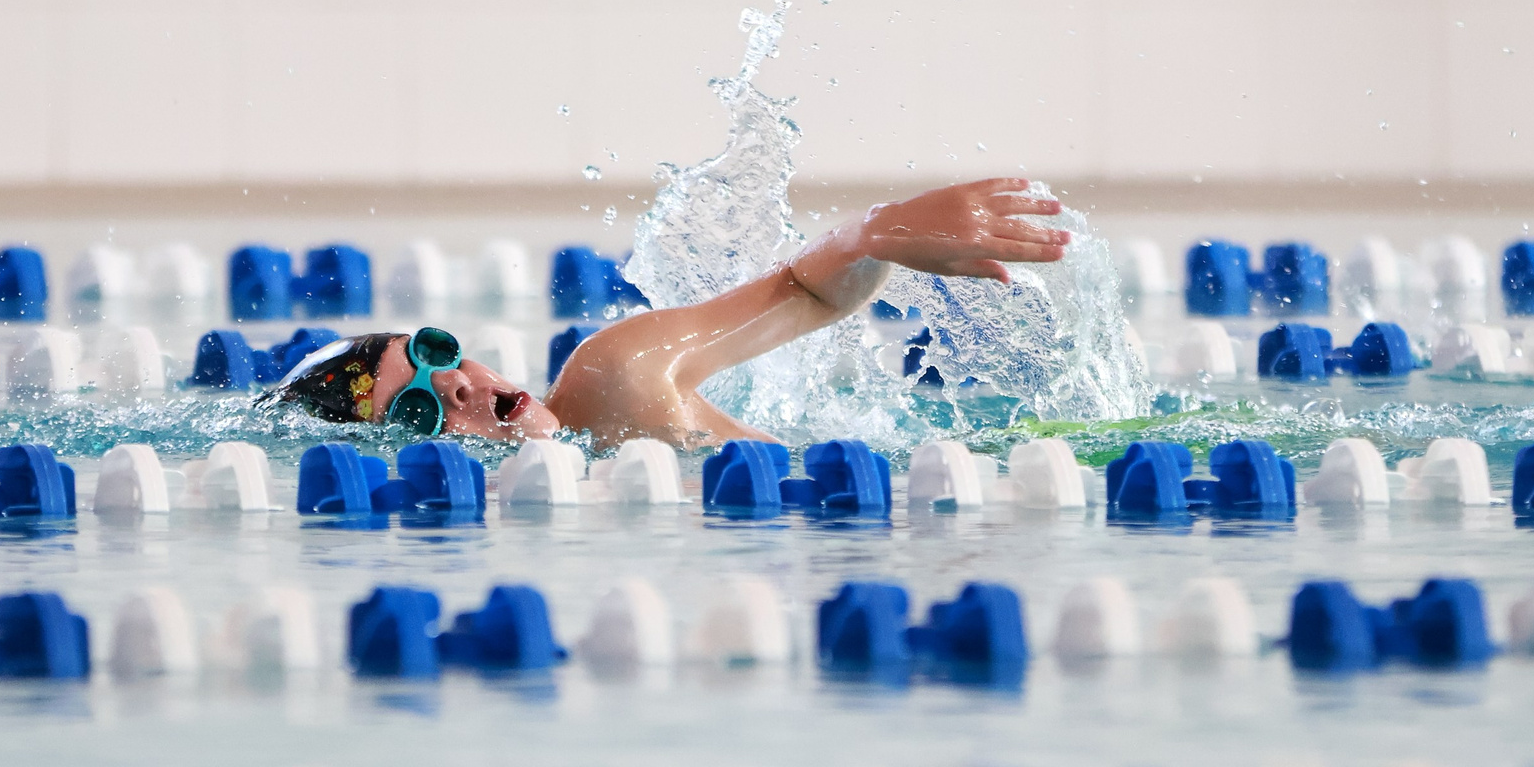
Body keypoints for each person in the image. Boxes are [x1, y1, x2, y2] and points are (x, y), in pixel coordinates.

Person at [266, 178, 1069, 450]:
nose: (460, 386)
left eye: (438, 356)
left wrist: (877, 231)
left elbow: (806, 292)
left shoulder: (618, 376)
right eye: (418, 412)